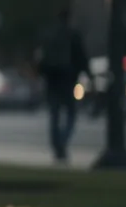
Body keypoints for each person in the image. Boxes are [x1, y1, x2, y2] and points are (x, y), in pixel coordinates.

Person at [36, 9, 89, 163]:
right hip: (68, 79)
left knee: (54, 115)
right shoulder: (73, 35)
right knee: (70, 115)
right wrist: (87, 75)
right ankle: (62, 142)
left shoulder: (49, 36)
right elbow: (81, 57)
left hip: (52, 80)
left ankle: (57, 145)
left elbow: (42, 59)